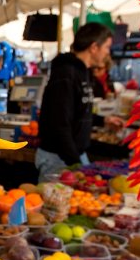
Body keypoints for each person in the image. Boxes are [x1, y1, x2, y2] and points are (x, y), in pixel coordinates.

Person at [36, 24, 122, 178]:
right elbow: (59, 123)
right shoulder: (65, 74)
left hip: (73, 154)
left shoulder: (83, 73)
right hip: (59, 158)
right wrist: (76, 165)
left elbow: (76, 112)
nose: (108, 53)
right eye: (107, 47)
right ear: (94, 47)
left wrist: (103, 121)